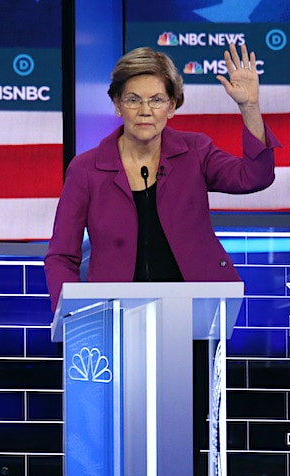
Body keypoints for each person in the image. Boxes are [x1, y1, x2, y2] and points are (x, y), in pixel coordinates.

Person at [44, 43, 281, 311]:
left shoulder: (195, 152)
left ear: (171, 107)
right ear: (118, 105)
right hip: (113, 312)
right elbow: (61, 257)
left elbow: (255, 177)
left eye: (156, 100)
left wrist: (250, 107)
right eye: (133, 99)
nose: (145, 110)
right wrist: (73, 316)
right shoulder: (86, 169)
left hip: (195, 308)